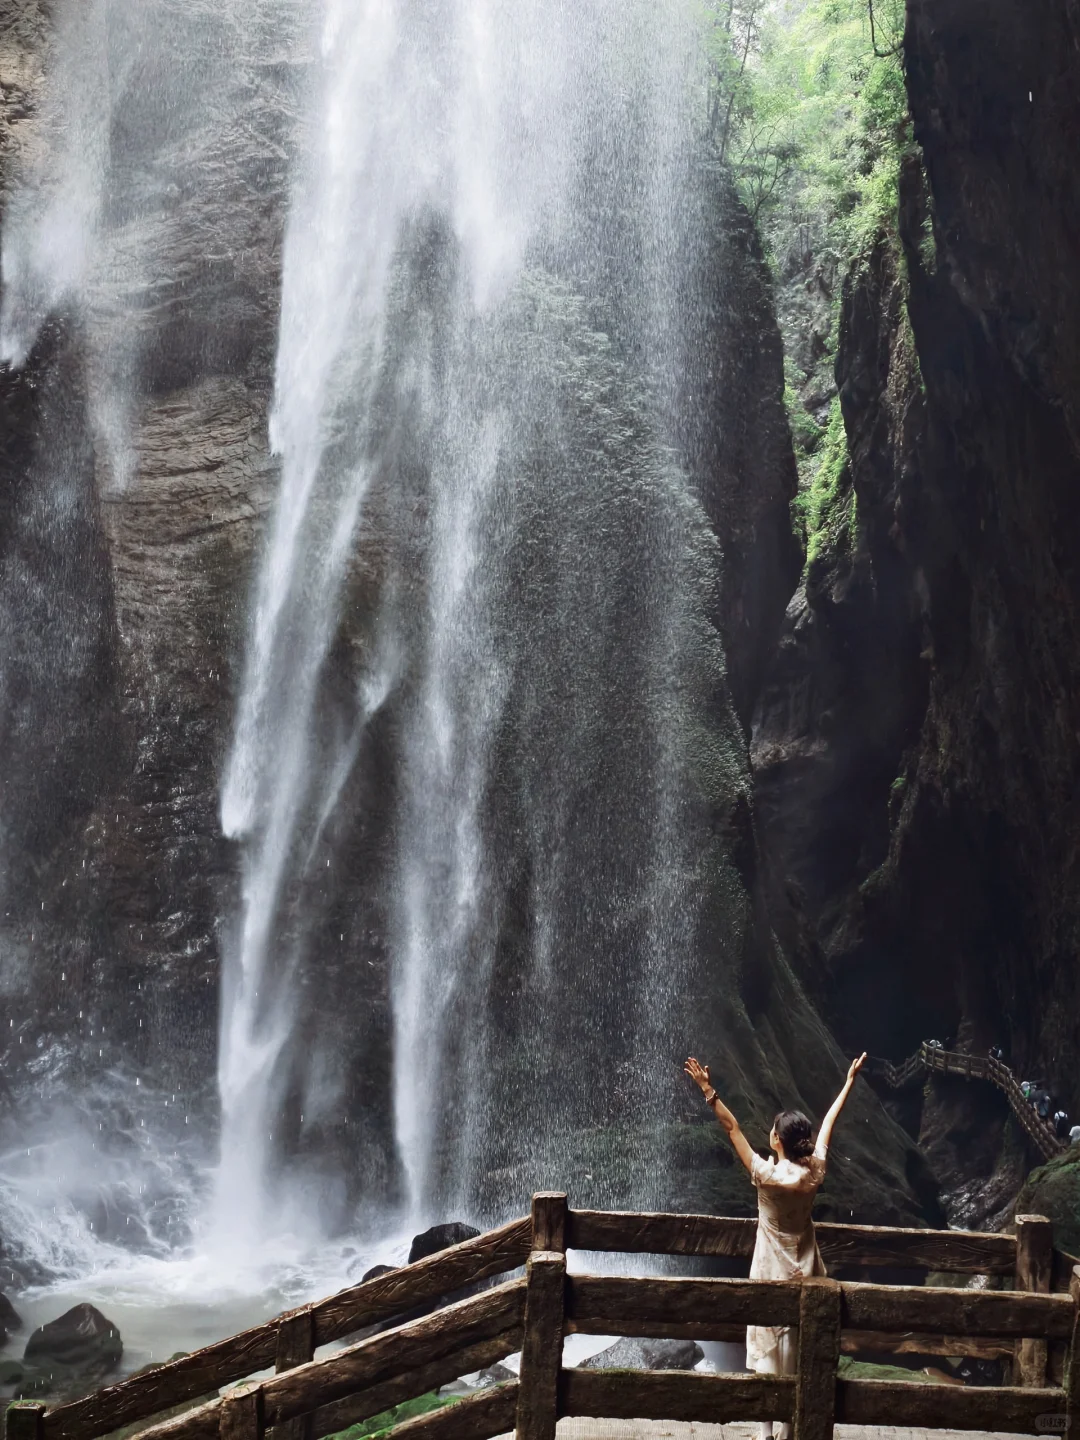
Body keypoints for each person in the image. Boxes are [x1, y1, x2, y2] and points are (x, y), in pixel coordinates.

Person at [684, 1052, 867, 1440]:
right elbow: (830, 1123)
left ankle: (766, 1433)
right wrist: (848, 1082)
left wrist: (707, 1090)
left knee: (768, 1350)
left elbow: (732, 1129)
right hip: (806, 1263)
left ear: (777, 1140)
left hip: (771, 1266)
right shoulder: (815, 1171)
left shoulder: (767, 1175)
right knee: (798, 1349)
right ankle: (792, 1429)